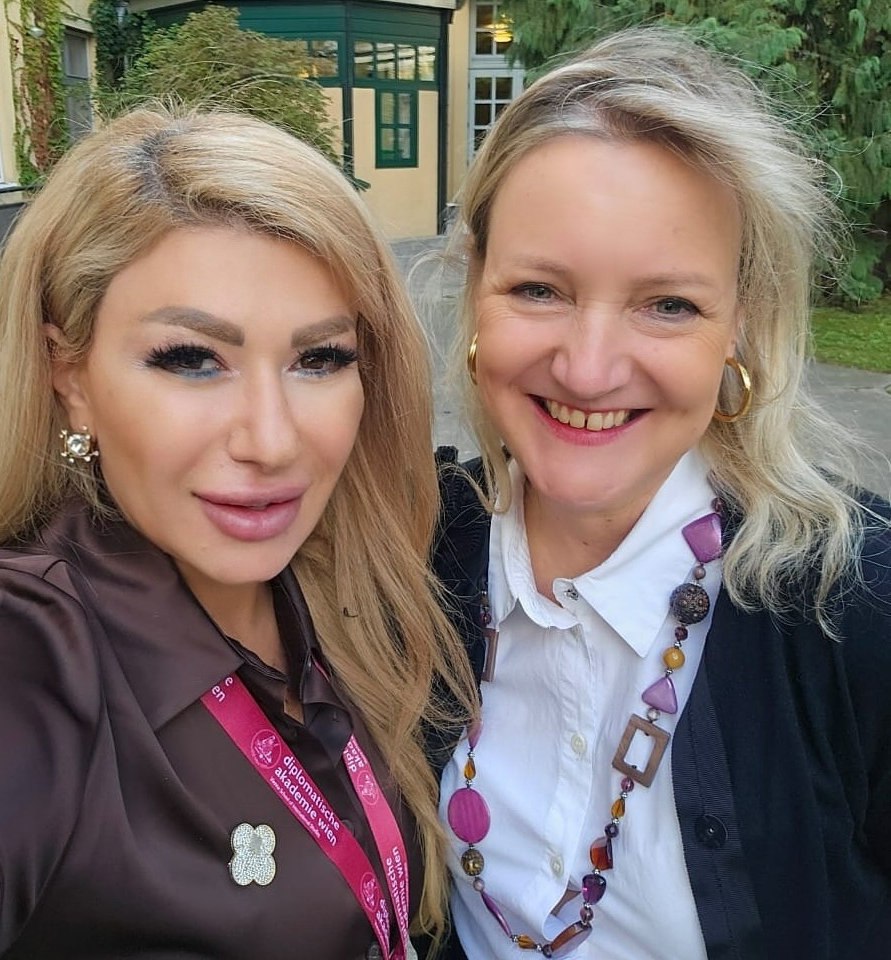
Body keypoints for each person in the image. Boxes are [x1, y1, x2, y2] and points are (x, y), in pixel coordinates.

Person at [0, 106, 476, 960]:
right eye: (191, 359)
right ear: (68, 374)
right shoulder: (4, 647)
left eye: (319, 359)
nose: (272, 441)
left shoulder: (347, 591)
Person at [431, 26, 891, 960]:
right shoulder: (413, 544)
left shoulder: (862, 600)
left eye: (668, 304)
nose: (589, 367)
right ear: (477, 285)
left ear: (740, 323)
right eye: (539, 289)